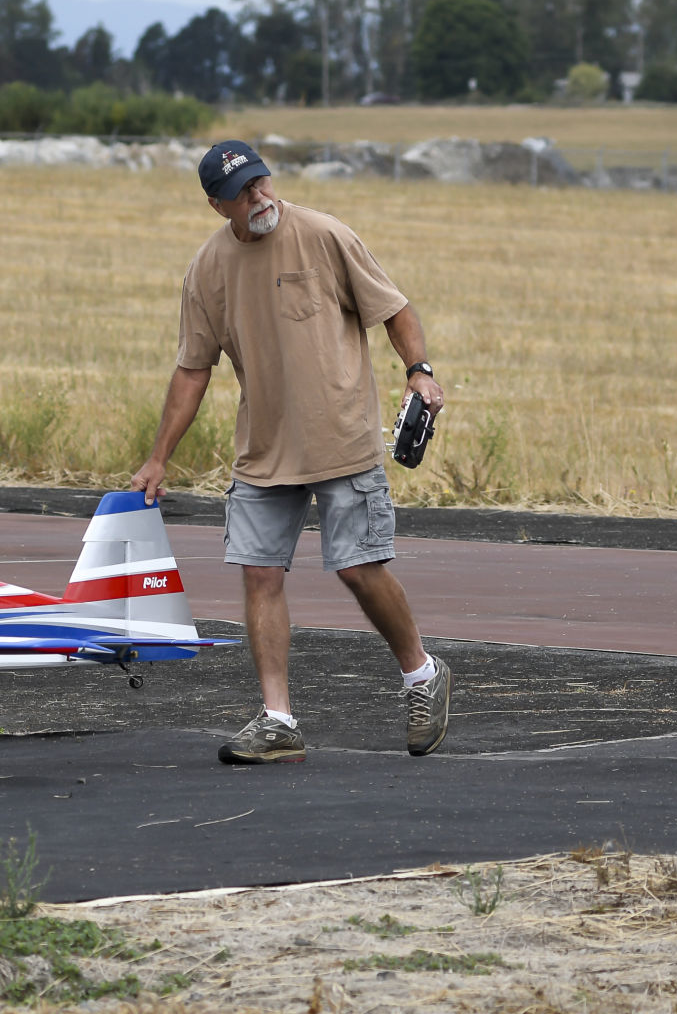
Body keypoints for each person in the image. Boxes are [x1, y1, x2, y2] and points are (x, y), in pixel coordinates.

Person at [130, 139, 451, 764]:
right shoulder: (207, 270)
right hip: (264, 447)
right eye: (243, 193)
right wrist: (158, 456)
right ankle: (278, 720)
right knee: (258, 573)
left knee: (359, 569)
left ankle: (422, 675)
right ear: (216, 204)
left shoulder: (325, 235)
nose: (259, 197)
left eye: (262, 182)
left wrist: (420, 370)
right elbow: (193, 370)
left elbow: (395, 308)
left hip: (343, 438)